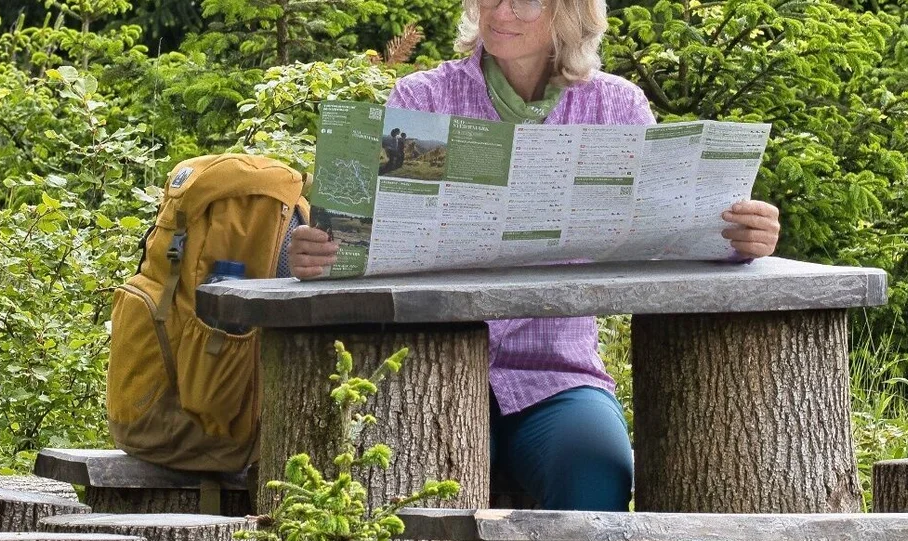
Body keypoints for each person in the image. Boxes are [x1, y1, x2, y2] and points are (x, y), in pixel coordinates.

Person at [283, 0, 783, 512]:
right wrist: (317, 254)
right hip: (425, 369)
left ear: (571, 13)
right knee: (402, 487)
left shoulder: (616, 108)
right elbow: (358, 236)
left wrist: (739, 239)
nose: (502, 11)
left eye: (525, 0)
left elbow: (667, 236)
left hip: (555, 374)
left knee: (599, 472)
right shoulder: (423, 97)